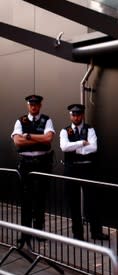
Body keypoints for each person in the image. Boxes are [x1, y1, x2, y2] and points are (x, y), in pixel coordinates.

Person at [60, 104, 108, 241]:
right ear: (70, 115)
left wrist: (74, 148)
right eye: (73, 114)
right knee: (73, 202)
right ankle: (78, 234)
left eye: (78, 114)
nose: (76, 117)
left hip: (88, 169)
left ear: (82, 115)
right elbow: (64, 147)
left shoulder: (90, 129)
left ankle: (96, 232)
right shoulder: (65, 131)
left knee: (92, 201)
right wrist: (81, 143)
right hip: (71, 169)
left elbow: (94, 148)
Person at [11, 94, 55, 240]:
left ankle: (38, 232)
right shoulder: (20, 120)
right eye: (31, 104)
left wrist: (28, 136)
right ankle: (25, 234)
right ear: (28, 105)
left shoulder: (46, 120)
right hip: (26, 164)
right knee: (26, 199)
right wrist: (39, 139)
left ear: (40, 105)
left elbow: (48, 138)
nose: (34, 106)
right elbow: (17, 142)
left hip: (42, 163)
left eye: (36, 104)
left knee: (40, 198)